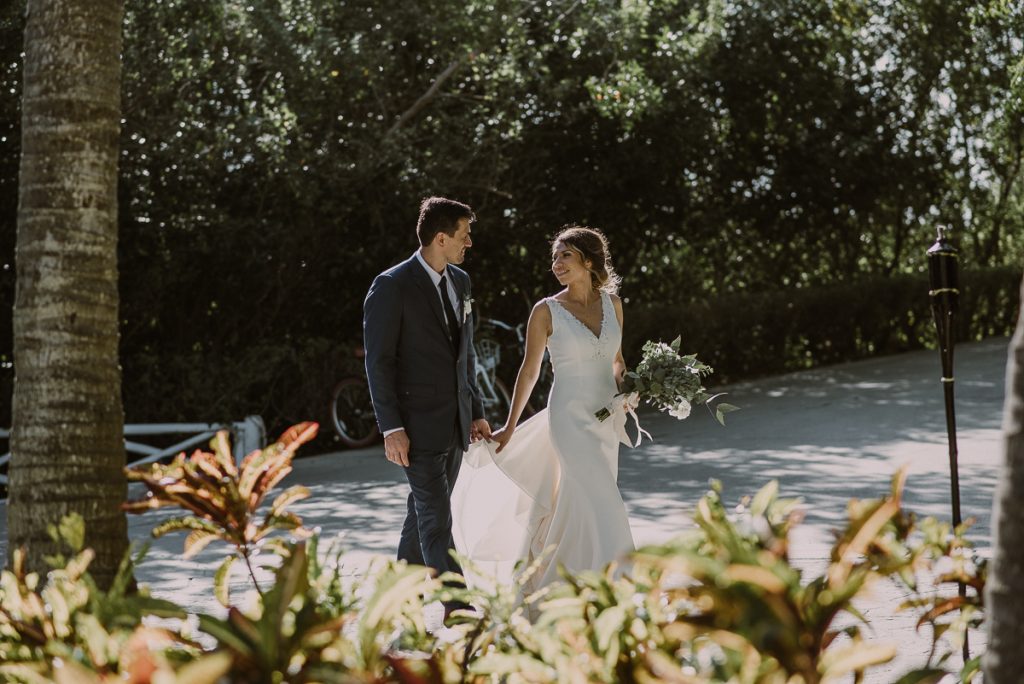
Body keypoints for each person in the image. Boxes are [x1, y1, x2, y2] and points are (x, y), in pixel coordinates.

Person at [452, 225, 634, 595]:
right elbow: (530, 371)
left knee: (581, 501)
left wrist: (631, 386)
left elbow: (617, 361)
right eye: (554, 257)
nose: (556, 264)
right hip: (568, 418)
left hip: (606, 419)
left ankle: (574, 584)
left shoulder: (613, 304)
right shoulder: (546, 311)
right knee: (601, 498)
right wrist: (510, 427)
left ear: (587, 258)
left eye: (564, 255)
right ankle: (616, 582)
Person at [363, 196, 492, 621]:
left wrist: (473, 409)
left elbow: (464, 353)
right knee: (437, 520)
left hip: (454, 423)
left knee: (420, 518)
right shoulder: (392, 285)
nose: (468, 243)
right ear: (441, 237)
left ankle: (397, 602)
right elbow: (379, 362)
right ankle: (459, 608)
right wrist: (390, 427)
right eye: (463, 234)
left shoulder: (462, 282)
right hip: (414, 429)